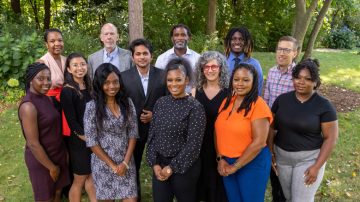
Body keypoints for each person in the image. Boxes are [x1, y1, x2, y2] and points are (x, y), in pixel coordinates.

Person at [268, 59, 338, 202]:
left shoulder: (324, 106)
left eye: (307, 79)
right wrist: (270, 152)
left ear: (315, 82)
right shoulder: (282, 100)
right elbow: (270, 127)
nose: (301, 82)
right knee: (289, 197)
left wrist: (317, 166)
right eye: (298, 77)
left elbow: (331, 138)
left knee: (301, 200)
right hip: (282, 159)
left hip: (308, 160)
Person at [146, 58, 206, 202]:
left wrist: (171, 168)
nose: (173, 84)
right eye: (170, 80)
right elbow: (152, 135)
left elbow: (193, 146)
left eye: (178, 80)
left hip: (185, 167)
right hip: (160, 165)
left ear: (187, 80)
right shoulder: (160, 103)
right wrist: (154, 164)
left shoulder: (195, 107)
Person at [215, 63, 273, 202]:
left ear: (254, 83)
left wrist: (236, 166)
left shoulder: (258, 105)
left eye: (245, 80)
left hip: (252, 163)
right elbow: (217, 131)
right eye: (236, 79)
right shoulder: (227, 101)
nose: (240, 84)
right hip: (226, 162)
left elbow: (259, 142)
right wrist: (220, 158)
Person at [84, 63, 138, 201]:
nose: (112, 86)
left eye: (115, 82)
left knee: (131, 199)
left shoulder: (127, 103)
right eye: (106, 83)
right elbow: (91, 141)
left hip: (126, 162)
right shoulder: (92, 107)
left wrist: (125, 162)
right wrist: (113, 165)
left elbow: (133, 133)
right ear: (99, 84)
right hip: (103, 164)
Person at [122, 38, 167, 200]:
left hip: (158, 129)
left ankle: (162, 194)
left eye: (145, 53)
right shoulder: (124, 77)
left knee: (160, 162)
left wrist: (155, 115)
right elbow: (121, 105)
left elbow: (169, 102)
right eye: (138, 54)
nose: (142, 57)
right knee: (133, 166)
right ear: (133, 57)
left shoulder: (162, 76)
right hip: (134, 130)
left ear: (151, 56)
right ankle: (135, 196)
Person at [18, 62, 70, 202]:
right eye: (41, 79)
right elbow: (33, 143)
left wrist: (64, 152)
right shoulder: (28, 106)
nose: (46, 82)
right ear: (30, 80)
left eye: (48, 78)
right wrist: (51, 167)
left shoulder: (47, 98)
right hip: (42, 161)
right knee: (46, 198)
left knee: (58, 193)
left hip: (57, 154)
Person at [263, 36, 299, 202]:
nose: (282, 53)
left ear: (295, 53)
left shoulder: (299, 75)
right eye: (280, 49)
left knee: (288, 180)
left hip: (290, 131)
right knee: (274, 171)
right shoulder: (271, 72)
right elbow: (267, 101)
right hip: (271, 129)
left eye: (287, 50)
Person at [191, 51, 229, 202]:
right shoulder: (195, 91)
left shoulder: (229, 93)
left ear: (221, 68)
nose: (210, 70)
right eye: (205, 67)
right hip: (200, 145)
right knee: (201, 185)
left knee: (218, 187)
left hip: (222, 145)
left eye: (214, 66)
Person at [60, 53, 96, 202]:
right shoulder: (67, 90)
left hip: (93, 137)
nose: (80, 68)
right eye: (75, 65)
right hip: (80, 142)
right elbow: (72, 122)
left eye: (82, 64)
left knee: (92, 176)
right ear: (68, 69)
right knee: (80, 179)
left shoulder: (90, 86)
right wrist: (88, 139)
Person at [224, 27, 263, 95]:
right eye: (233, 39)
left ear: (246, 42)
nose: (237, 42)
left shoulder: (254, 64)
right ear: (229, 41)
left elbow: (258, 90)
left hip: (246, 103)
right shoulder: (221, 62)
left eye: (241, 39)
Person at [40, 28, 66, 99]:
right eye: (52, 41)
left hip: (68, 98)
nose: (57, 44)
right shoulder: (42, 62)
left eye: (60, 40)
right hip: (49, 100)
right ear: (46, 44)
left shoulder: (66, 60)